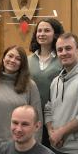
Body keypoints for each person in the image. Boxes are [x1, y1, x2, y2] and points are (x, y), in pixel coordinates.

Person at [0, 45, 42, 154]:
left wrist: (35, 146)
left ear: (22, 64)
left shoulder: (30, 86)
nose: (12, 60)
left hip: (23, 145)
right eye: (10, 56)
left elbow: (38, 117)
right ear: (3, 58)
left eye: (18, 58)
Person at [28, 19, 64, 147]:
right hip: (32, 118)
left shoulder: (63, 59)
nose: (42, 34)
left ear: (55, 34)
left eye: (47, 30)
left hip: (56, 118)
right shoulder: (27, 61)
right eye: (39, 31)